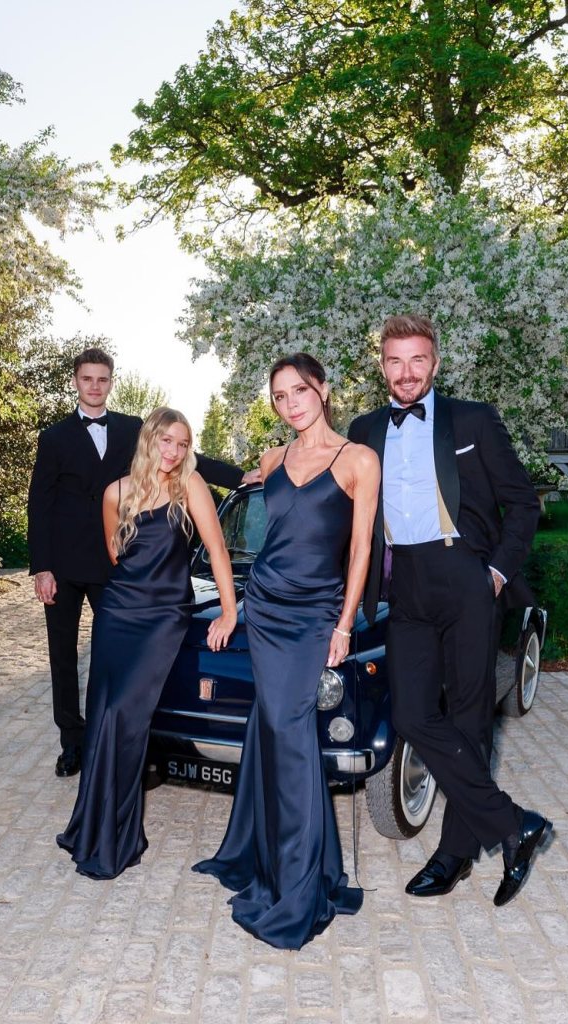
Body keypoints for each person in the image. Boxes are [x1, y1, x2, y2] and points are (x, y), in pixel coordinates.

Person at [347, 314, 551, 907]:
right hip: (404, 585)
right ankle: (513, 826)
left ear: (434, 363)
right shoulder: (364, 429)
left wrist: (494, 571)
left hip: (465, 575)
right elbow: (321, 465)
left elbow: (522, 503)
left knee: (468, 719)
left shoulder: (473, 420)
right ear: (381, 365)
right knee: (411, 716)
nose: (406, 372)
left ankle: (454, 853)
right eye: (394, 361)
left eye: (417, 360)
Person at [193, 353, 380, 950]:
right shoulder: (273, 460)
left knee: (291, 734)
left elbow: (360, 551)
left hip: (317, 613)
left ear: (322, 390)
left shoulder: (357, 460)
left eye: (299, 391)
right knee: (271, 728)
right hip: (266, 607)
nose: (291, 403)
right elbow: (231, 484)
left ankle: (300, 885)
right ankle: (265, 857)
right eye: (279, 396)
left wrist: (345, 624)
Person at [27, 347, 258, 779]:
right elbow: (38, 504)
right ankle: (72, 742)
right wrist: (42, 566)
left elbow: (188, 458)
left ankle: (138, 743)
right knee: (62, 656)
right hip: (64, 561)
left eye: (102, 379)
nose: (95, 386)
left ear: (111, 382)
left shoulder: (136, 428)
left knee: (129, 662)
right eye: (87, 379)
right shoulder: (53, 437)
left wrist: (238, 476)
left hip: (120, 565)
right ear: (76, 381)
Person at [56, 407, 237, 878]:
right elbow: (117, 554)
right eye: (167, 442)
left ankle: (117, 835)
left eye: (182, 443)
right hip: (117, 612)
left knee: (124, 716)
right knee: (102, 715)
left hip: (163, 617)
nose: (174, 452)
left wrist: (230, 613)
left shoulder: (190, 488)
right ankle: (92, 827)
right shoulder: (115, 492)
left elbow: (217, 550)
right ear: (148, 441)